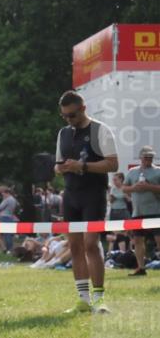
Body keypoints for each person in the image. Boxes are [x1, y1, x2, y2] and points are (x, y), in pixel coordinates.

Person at [55, 90, 118, 313]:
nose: (68, 120)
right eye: (64, 116)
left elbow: (112, 164)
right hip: (71, 195)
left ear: (83, 109)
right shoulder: (63, 133)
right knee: (74, 246)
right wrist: (60, 168)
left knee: (91, 244)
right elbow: (58, 164)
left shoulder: (100, 130)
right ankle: (82, 299)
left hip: (94, 194)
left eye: (72, 115)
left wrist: (82, 167)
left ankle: (99, 298)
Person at [122, 145, 160, 278]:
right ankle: (141, 267)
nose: (148, 159)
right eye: (146, 157)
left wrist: (148, 187)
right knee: (138, 240)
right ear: (140, 157)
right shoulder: (132, 172)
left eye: (150, 157)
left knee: (159, 239)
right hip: (138, 212)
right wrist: (134, 187)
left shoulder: (158, 171)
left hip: (156, 211)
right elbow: (124, 188)